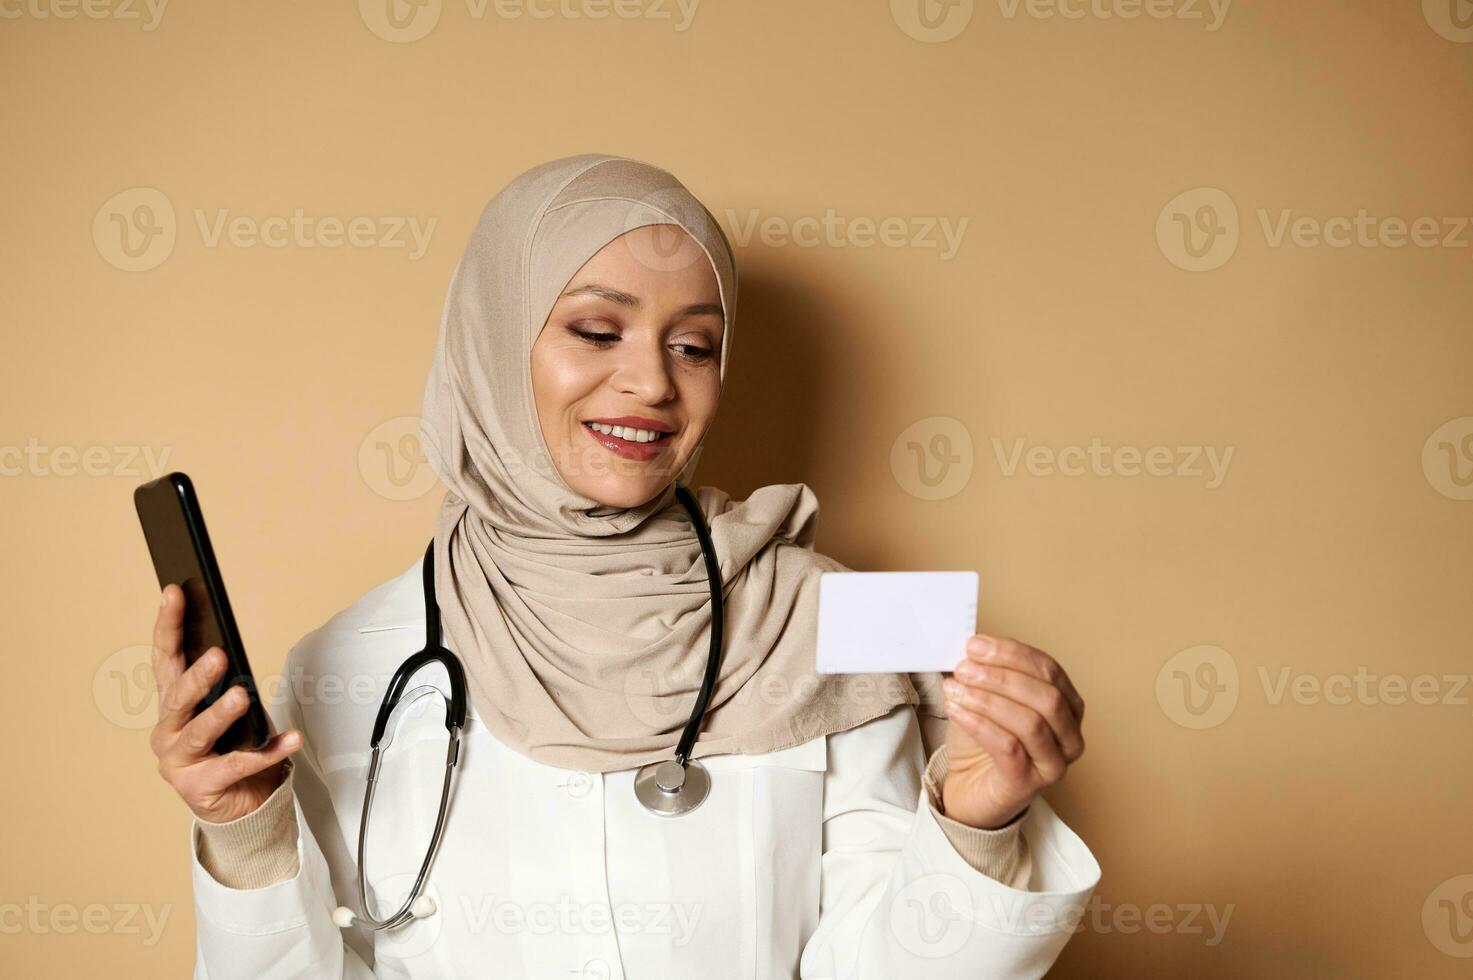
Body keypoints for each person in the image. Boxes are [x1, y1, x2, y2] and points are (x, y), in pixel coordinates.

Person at [147, 153, 1100, 979]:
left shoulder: (841, 617)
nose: (651, 382)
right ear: (492, 339)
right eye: (596, 332)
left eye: (694, 345)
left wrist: (976, 824)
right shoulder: (349, 660)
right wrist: (248, 833)